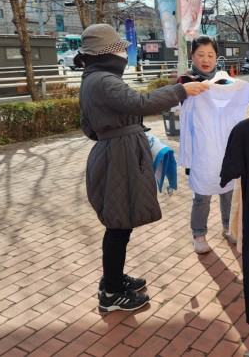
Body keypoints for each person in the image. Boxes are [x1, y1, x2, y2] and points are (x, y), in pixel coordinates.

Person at [78, 23, 208, 312]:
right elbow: (140, 103)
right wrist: (180, 90)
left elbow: (88, 126)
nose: (125, 54)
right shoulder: (103, 80)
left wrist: (115, 135)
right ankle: (111, 293)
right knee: (118, 226)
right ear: (106, 53)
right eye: (120, 49)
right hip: (118, 158)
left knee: (119, 223)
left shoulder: (91, 79)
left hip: (112, 153)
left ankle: (112, 279)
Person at [177, 35, 249, 254]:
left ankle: (228, 226)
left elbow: (248, 102)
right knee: (202, 195)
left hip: (227, 148)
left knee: (228, 190)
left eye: (210, 55)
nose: (206, 59)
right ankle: (199, 233)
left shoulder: (230, 83)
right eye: (200, 55)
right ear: (192, 55)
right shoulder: (187, 81)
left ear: (216, 57)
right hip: (203, 151)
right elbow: (179, 97)